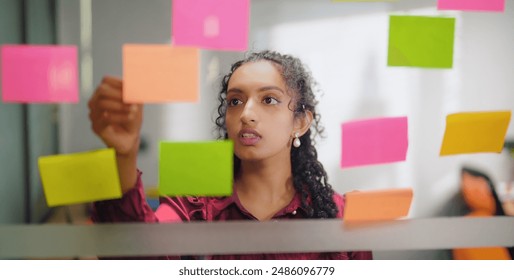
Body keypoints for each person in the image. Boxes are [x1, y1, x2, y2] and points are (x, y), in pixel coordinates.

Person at [88, 50, 373, 260]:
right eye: (236, 101)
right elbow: (138, 256)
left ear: (299, 123)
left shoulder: (339, 215)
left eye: (268, 100)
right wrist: (124, 155)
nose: (246, 114)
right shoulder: (194, 204)